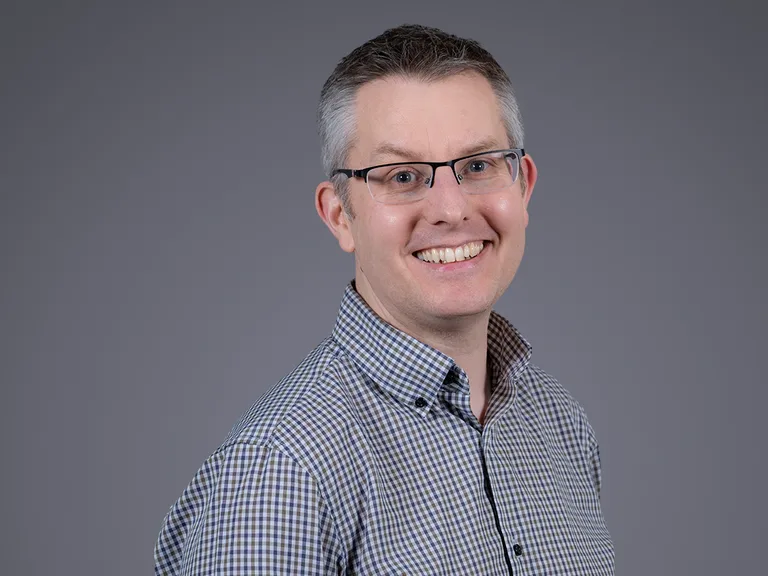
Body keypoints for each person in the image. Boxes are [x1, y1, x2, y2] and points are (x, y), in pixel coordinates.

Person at [154, 24, 614, 575]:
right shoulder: (284, 468)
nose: (450, 208)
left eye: (478, 166)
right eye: (402, 176)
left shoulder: (560, 425)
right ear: (340, 216)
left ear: (523, 186)